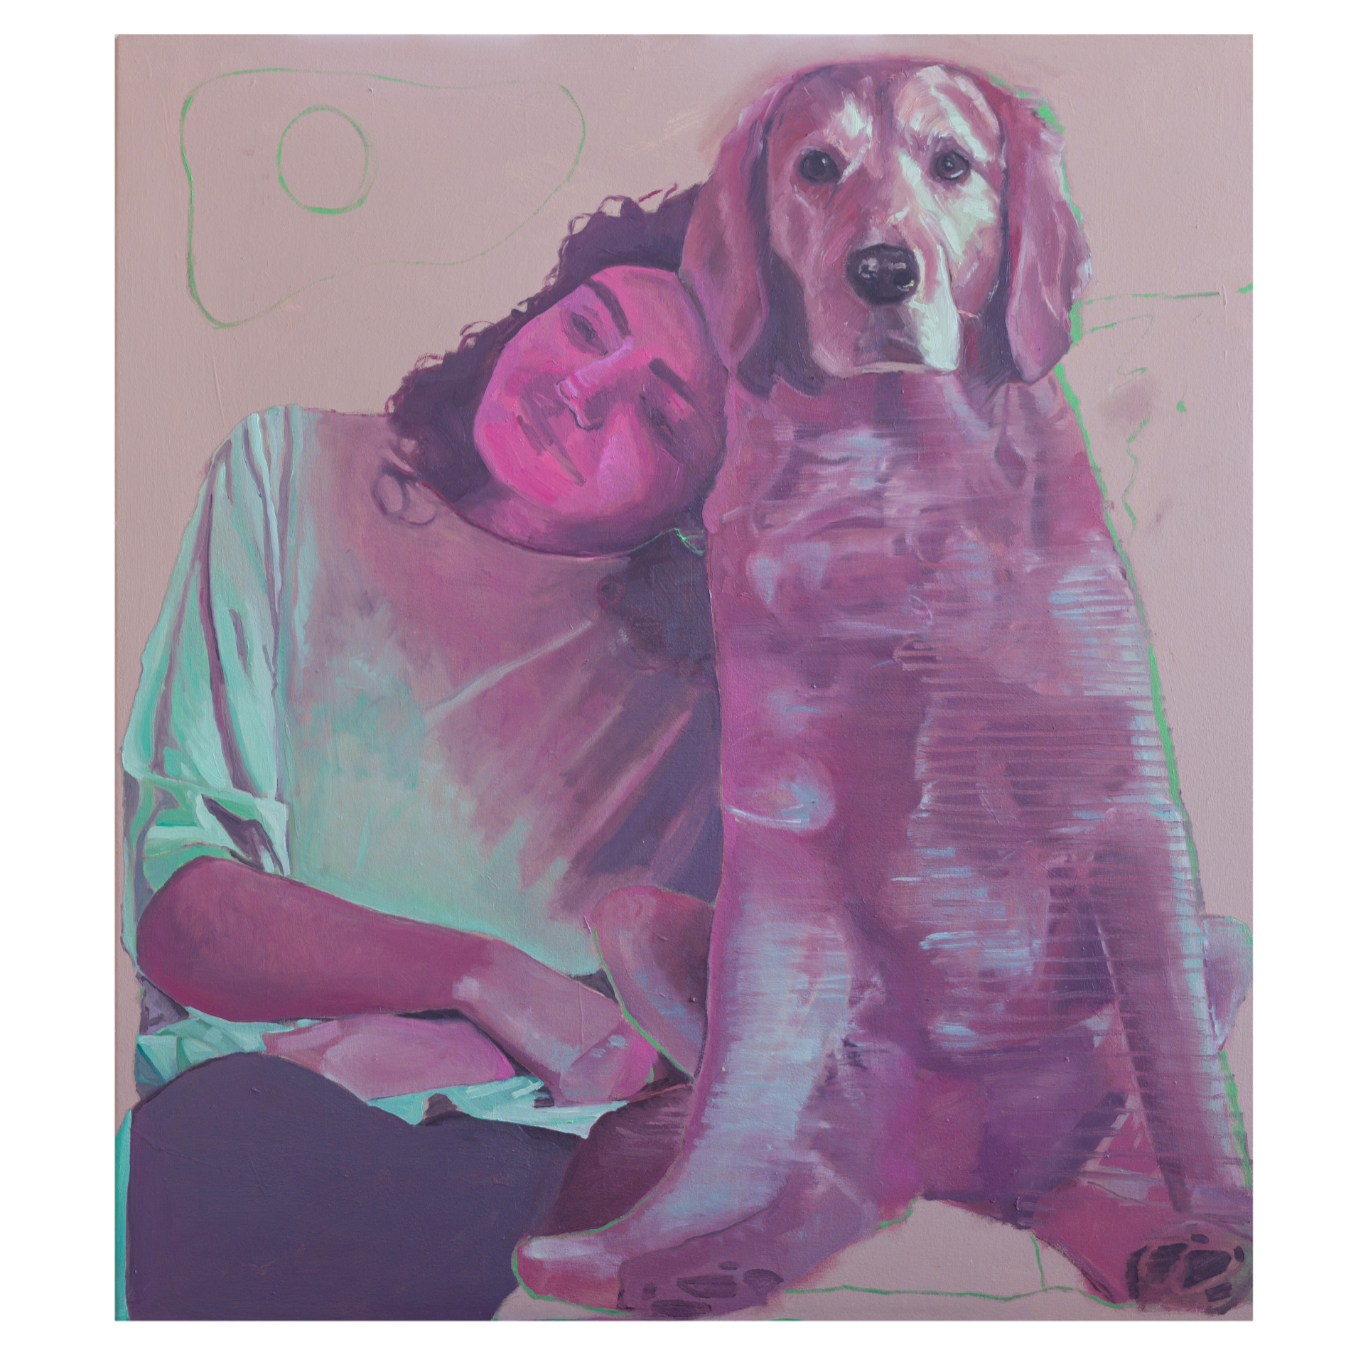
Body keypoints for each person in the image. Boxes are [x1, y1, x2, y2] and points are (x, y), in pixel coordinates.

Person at [118, 189, 729, 1322]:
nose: (580, 389)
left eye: (659, 415)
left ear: (708, 505)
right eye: (584, 327)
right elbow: (189, 914)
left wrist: (436, 1053)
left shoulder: (723, 677)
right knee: (233, 1149)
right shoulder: (288, 474)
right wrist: (486, 978)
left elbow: (704, 1033)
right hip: (249, 1133)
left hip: (551, 1169)